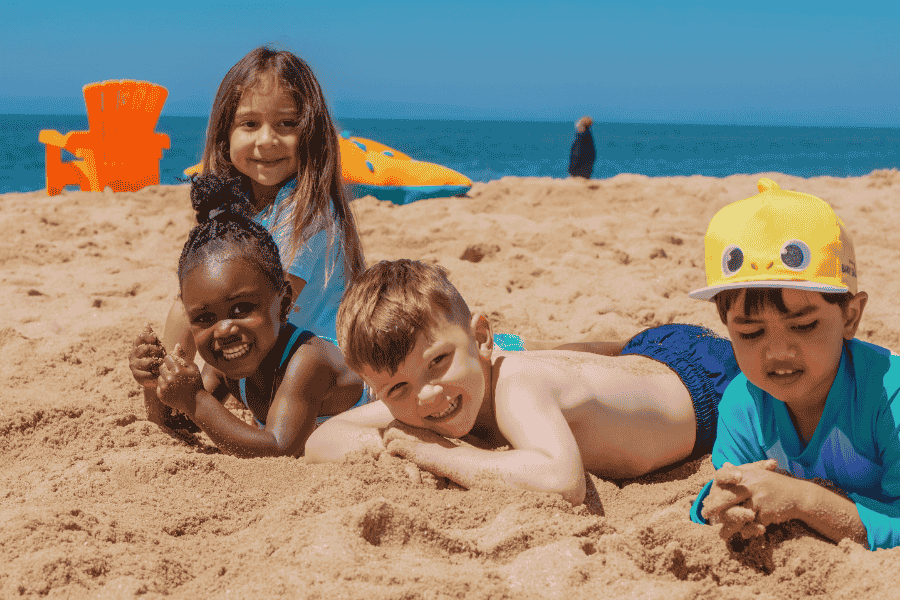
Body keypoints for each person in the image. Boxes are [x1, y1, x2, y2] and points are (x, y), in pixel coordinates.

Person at [305, 259, 740, 506]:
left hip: (706, 383)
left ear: (480, 338)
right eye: (396, 389)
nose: (428, 394)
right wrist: (393, 442)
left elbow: (561, 482)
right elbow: (323, 438)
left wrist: (424, 451)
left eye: (439, 360)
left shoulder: (516, 383)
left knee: (542, 365)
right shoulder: (425, 397)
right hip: (643, 362)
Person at [153, 46, 365, 430]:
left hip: (322, 374)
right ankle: (168, 394)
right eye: (249, 124)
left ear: (311, 133)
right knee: (201, 306)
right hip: (269, 363)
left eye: (286, 124)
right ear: (225, 134)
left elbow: (270, 307)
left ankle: (168, 395)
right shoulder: (242, 207)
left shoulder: (307, 211)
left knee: (197, 309)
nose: (267, 140)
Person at [688, 178, 900, 550]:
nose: (778, 353)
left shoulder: (889, 397)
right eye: (751, 333)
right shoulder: (744, 404)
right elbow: (716, 498)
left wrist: (806, 501)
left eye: (803, 326)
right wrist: (721, 502)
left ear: (850, 316)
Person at [128, 174, 365, 457]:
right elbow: (183, 424)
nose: (225, 329)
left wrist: (195, 399)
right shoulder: (224, 365)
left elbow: (279, 449)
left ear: (285, 303)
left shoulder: (307, 361)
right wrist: (154, 384)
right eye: (204, 318)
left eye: (242, 309)